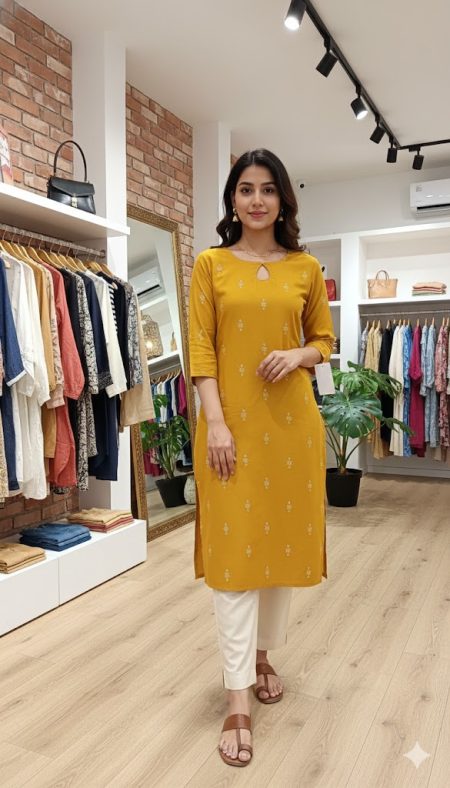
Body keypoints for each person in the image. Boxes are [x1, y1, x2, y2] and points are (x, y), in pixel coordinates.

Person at [188, 148, 335, 767]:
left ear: (282, 201)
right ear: (232, 199)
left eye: (267, 189)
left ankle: (263, 655)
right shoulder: (211, 264)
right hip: (230, 432)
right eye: (246, 189)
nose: (256, 200)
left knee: (276, 553)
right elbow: (201, 349)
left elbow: (324, 341)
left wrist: (298, 355)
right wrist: (217, 424)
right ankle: (237, 698)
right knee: (234, 560)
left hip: (292, 431)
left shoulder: (305, 268)